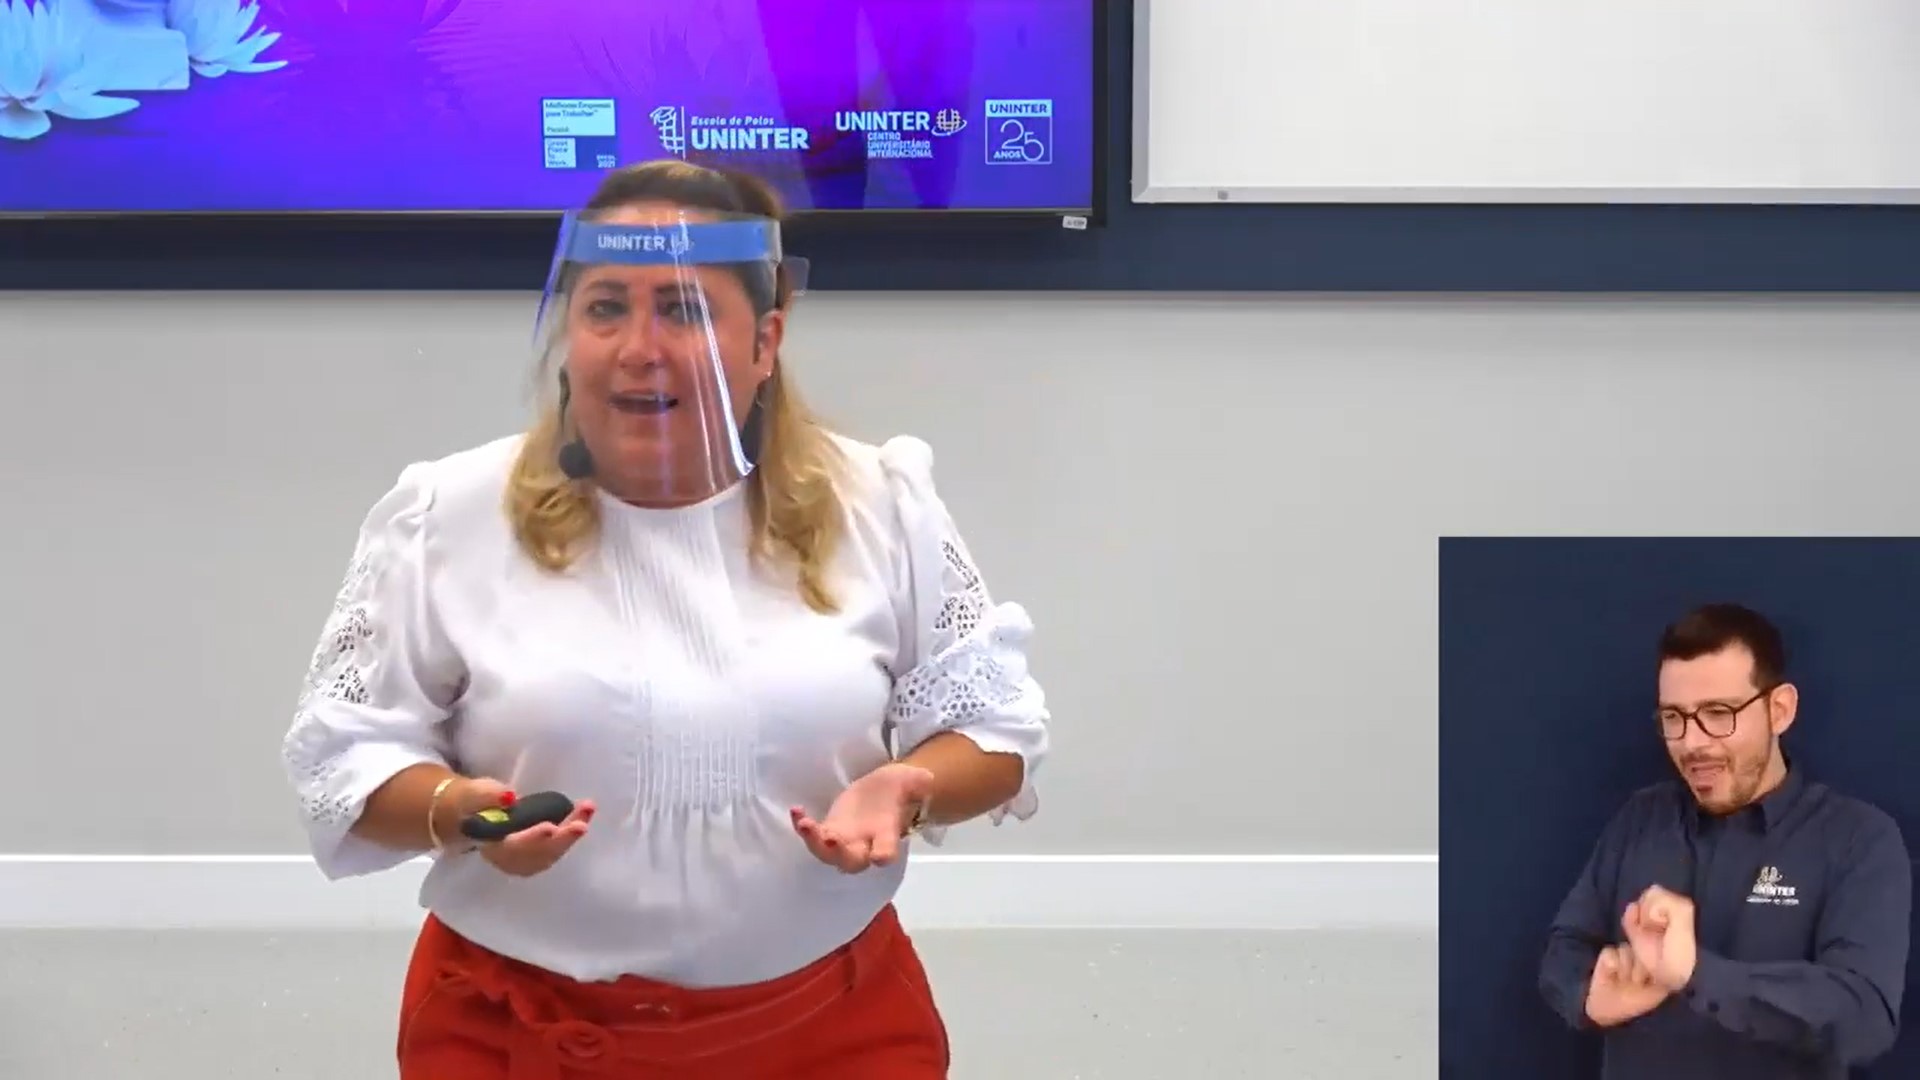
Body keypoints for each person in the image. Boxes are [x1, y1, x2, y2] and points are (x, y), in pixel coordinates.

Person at [279, 158, 1050, 1079]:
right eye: (606, 308)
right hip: (518, 1032)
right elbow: (344, 753)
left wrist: (907, 787)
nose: (638, 347)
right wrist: (459, 813)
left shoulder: (878, 501)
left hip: (827, 1029)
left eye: (683, 309)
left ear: (764, 340)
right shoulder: (447, 513)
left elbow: (994, 727)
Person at [1537, 602, 1910, 1079]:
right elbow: (1565, 947)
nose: (1692, 743)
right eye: (1674, 717)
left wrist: (1697, 974)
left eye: (1718, 713)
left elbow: (1865, 1019)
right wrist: (1586, 996)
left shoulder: (1857, 838)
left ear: (1779, 710)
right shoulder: (1640, 818)